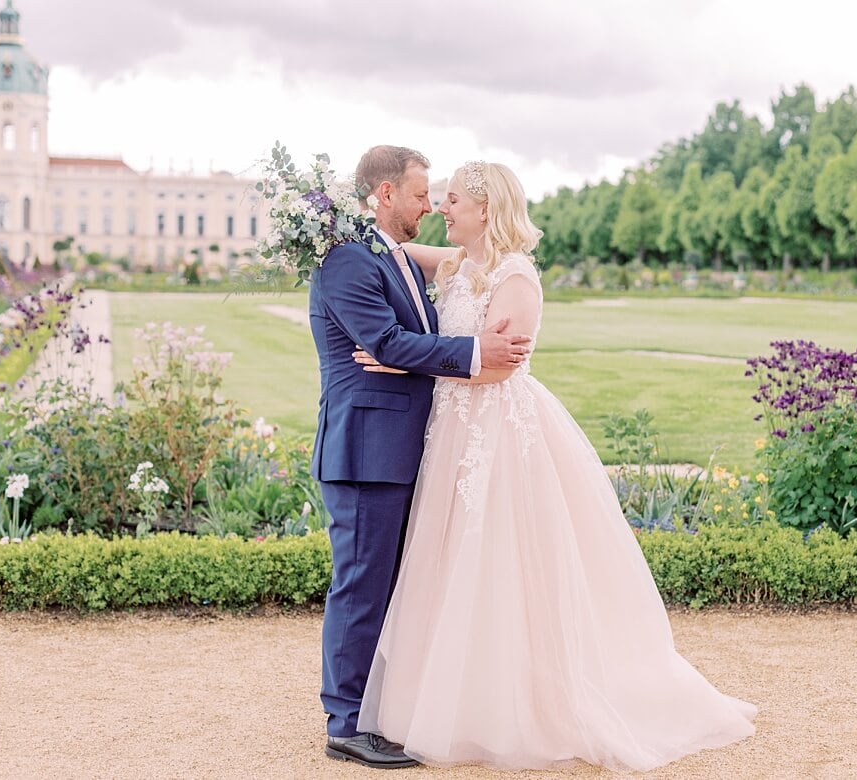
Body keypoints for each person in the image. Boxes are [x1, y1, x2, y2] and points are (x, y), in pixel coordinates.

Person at [352, 161, 757, 772]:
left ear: (486, 210)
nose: (442, 207)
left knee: (505, 564)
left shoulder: (516, 277)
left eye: (454, 199)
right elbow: (394, 251)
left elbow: (495, 366)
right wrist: (328, 224)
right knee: (450, 562)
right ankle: (456, 700)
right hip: (454, 436)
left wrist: (402, 363)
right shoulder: (457, 265)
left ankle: (522, 705)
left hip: (498, 433)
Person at [309, 146, 532, 769]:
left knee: (392, 589)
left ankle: (378, 711)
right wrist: (464, 351)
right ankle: (346, 722)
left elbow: (414, 320)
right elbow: (381, 340)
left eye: (440, 196)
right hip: (365, 453)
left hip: (404, 449)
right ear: (385, 195)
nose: (430, 205)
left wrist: (413, 346)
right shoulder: (351, 259)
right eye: (419, 194)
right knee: (360, 587)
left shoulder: (394, 254)